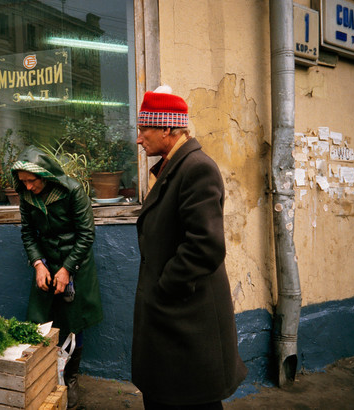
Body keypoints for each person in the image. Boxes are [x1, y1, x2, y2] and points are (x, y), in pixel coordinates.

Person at [132, 86, 247, 409]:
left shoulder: (196, 168)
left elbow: (206, 245)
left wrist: (165, 288)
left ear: (166, 128)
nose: (139, 139)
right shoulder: (176, 166)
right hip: (175, 319)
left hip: (186, 319)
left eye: (144, 130)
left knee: (191, 402)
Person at [11, 146, 103, 408]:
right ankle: (47, 378)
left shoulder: (72, 191)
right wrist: (38, 264)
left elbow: (86, 234)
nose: (27, 187)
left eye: (31, 181)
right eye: (23, 182)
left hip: (76, 265)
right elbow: (28, 234)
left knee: (74, 323)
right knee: (40, 321)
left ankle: (70, 379)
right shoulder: (26, 196)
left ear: (46, 176)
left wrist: (67, 269)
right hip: (46, 265)